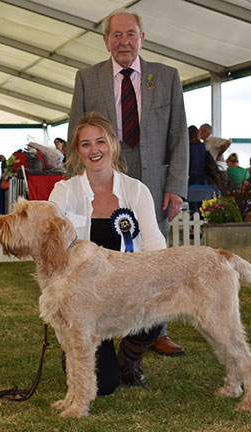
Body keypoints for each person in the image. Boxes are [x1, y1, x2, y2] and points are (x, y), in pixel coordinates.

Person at [67, 7, 189, 356]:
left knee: (154, 255)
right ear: (106, 41)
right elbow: (76, 131)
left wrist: (175, 185)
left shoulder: (166, 76)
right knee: (105, 255)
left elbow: (179, 133)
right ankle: (103, 320)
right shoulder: (87, 78)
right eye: (116, 35)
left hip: (155, 180)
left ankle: (154, 330)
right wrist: (77, 185)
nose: (124, 42)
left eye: (130, 34)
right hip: (103, 178)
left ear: (142, 38)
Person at [49, 112, 167, 393]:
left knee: (162, 297)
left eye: (100, 141)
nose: (94, 150)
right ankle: (81, 346)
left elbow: (155, 248)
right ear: (77, 151)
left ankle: (130, 356)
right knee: (103, 386)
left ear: (113, 144)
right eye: (85, 144)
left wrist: (154, 284)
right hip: (85, 305)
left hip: (127, 294)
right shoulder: (64, 191)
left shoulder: (136, 191)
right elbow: (47, 232)